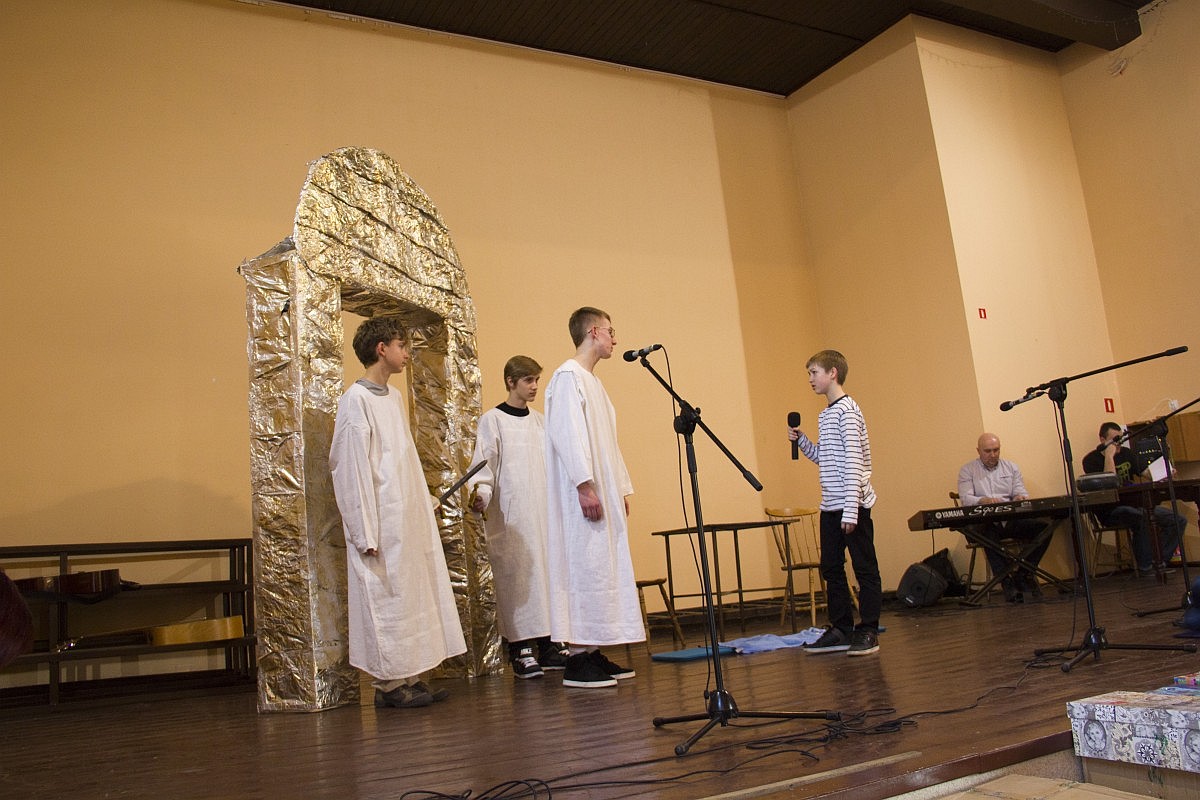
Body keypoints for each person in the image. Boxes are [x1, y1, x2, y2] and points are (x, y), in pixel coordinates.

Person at [329, 316, 467, 709]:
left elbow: (403, 461)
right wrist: (364, 530)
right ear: (381, 349)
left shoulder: (392, 397)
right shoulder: (355, 401)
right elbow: (351, 468)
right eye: (401, 345)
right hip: (380, 521)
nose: (407, 353)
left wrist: (422, 500)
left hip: (404, 519)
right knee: (385, 600)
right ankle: (388, 687)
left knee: (409, 598)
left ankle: (410, 676)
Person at [544, 307, 642, 688]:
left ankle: (593, 648)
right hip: (582, 495)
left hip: (602, 492)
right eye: (611, 332)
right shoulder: (568, 377)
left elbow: (607, 444)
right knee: (585, 566)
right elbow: (568, 435)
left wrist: (618, 489)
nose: (615, 339)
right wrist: (584, 485)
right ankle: (577, 658)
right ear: (594, 332)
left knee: (602, 567)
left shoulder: (593, 383)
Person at [467, 355, 568, 679]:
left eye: (537, 379)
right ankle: (520, 648)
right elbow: (483, 466)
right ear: (511, 382)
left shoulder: (541, 422)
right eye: (528, 380)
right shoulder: (493, 421)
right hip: (512, 517)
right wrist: (481, 494)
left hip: (543, 514)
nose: (535, 386)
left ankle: (550, 645)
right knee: (517, 582)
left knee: (545, 576)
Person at [787, 349, 882, 656]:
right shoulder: (826, 414)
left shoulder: (847, 412)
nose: (810, 379)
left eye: (814, 372)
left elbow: (854, 462)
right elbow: (827, 459)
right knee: (831, 567)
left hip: (852, 504)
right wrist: (803, 442)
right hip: (831, 504)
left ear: (832, 374)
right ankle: (841, 629)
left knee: (864, 567)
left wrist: (851, 509)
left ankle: (868, 630)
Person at [1080, 421, 1186, 574]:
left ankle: (1159, 561)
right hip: (1111, 510)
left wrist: (1164, 473)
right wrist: (1109, 455)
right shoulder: (1091, 460)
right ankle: (1145, 567)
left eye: (1121, 439)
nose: (1119, 443)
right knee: (1141, 517)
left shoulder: (1127, 454)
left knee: (1177, 520)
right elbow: (1110, 482)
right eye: (1115, 439)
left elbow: (1144, 472)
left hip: (1136, 504)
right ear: (1103, 440)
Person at [956, 433, 1051, 603]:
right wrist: (983, 500)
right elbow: (965, 499)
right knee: (987, 534)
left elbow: (1020, 491)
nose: (993, 455)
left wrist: (1020, 497)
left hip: (1010, 520)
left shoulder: (1011, 468)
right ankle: (1007, 582)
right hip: (985, 523)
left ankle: (1024, 573)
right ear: (978, 451)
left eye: (996, 450)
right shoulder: (968, 470)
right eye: (988, 451)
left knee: (1044, 528)